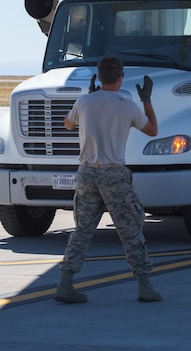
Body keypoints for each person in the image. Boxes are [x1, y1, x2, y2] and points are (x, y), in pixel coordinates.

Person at [56, 56, 161, 304]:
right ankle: (145, 285)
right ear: (121, 77)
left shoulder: (84, 102)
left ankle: (65, 282)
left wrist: (90, 99)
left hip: (86, 172)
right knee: (130, 229)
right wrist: (146, 100)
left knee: (82, 230)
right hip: (113, 173)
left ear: (99, 77)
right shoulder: (128, 106)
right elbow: (153, 129)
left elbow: (68, 124)